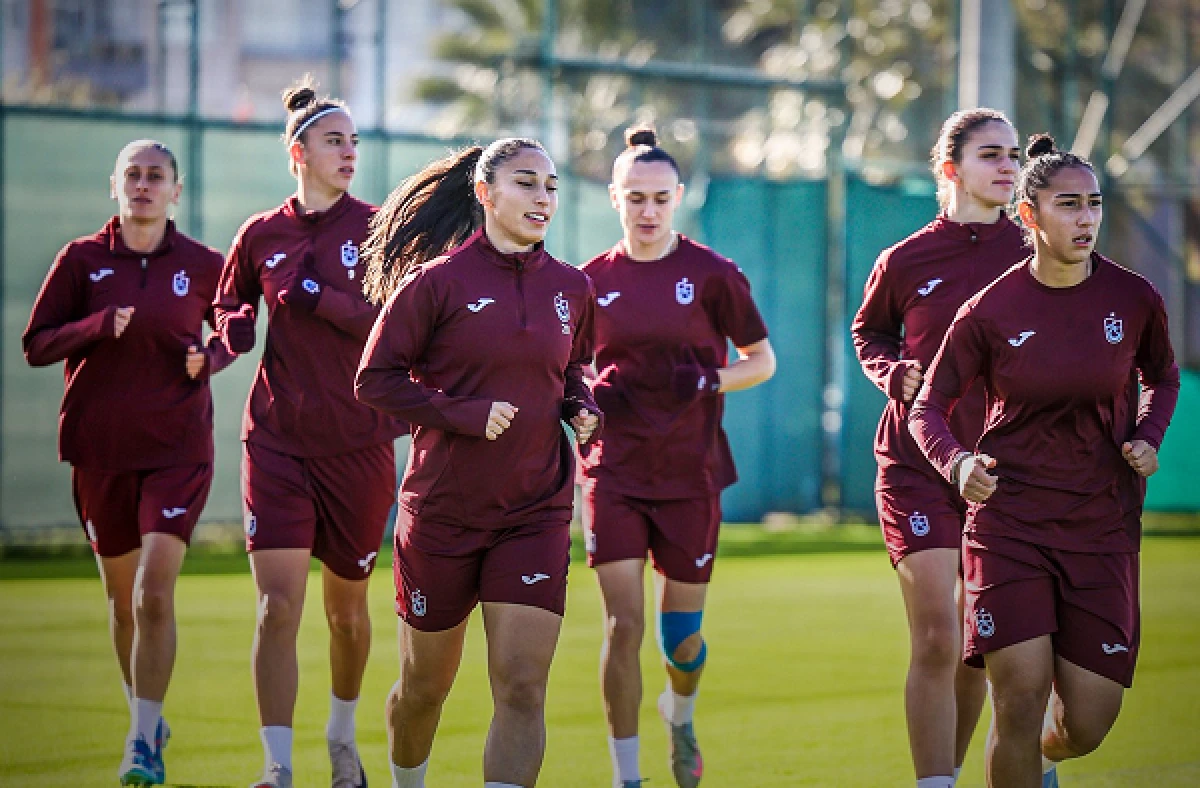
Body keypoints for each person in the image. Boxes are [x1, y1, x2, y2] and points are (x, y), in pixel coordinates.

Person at [909, 133, 1179, 788]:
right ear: (1029, 215)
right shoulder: (989, 310)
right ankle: (1018, 759)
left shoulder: (1133, 297)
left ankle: (1044, 763)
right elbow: (928, 408)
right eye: (1068, 205)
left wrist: (1149, 434)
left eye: (1093, 204)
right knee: (1019, 699)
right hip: (1011, 526)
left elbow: (1163, 377)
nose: (1085, 219)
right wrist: (957, 464)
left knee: (1086, 725)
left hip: (1101, 528)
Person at [355, 137, 601, 788]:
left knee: (522, 687)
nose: (542, 197)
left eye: (550, 185)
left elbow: (574, 367)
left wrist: (582, 403)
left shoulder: (572, 289)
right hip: (442, 514)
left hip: (536, 512)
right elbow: (374, 381)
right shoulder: (434, 285)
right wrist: (463, 411)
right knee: (424, 688)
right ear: (486, 194)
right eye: (526, 183)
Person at [213, 78, 406, 788]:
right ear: (298, 152)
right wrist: (230, 328)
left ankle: (341, 738)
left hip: (359, 444)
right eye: (334, 141)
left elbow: (394, 322)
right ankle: (277, 765)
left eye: (354, 141)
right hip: (276, 441)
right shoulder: (260, 234)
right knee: (276, 605)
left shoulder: (379, 226)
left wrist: (320, 298)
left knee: (348, 612)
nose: (349, 152)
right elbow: (230, 303)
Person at [23, 139, 232, 786]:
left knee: (152, 592)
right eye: (133, 175)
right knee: (121, 603)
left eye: (156, 176)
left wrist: (214, 357)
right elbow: (35, 344)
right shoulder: (81, 260)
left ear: (176, 189)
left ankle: (141, 741)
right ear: (114, 186)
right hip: (99, 451)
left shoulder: (204, 264)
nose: (143, 185)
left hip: (178, 450)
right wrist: (94, 327)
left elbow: (236, 322)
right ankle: (146, 715)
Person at [578, 126, 776, 788]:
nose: (648, 211)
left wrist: (708, 380)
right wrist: (582, 401)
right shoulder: (586, 284)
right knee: (621, 625)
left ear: (680, 197)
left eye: (661, 198)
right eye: (635, 198)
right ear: (614, 198)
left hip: (691, 475)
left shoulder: (714, 275)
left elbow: (762, 362)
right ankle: (626, 776)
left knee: (681, 645)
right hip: (613, 472)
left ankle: (680, 710)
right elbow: (567, 373)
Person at [850, 108, 1028, 788]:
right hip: (915, 465)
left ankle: (950, 772)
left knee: (974, 644)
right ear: (952, 169)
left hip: (1001, 472)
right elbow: (871, 333)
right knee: (935, 634)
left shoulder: (1035, 254)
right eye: (991, 154)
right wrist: (891, 373)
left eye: (1012, 154)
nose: (1007, 166)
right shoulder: (904, 259)